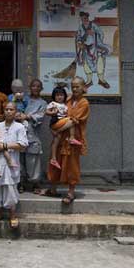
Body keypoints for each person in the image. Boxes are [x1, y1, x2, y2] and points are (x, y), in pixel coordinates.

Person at [43, 77, 90, 205]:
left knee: (71, 165)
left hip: (73, 139)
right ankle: (53, 189)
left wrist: (57, 130)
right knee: (55, 161)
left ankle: (70, 193)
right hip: (60, 138)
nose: (75, 89)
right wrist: (55, 129)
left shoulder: (84, 103)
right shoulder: (67, 100)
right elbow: (57, 116)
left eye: (77, 86)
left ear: (83, 88)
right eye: (73, 86)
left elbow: (73, 120)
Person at [0, 102, 27, 228]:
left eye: (11, 109)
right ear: (3, 111)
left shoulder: (19, 127)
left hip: (10, 161)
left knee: (10, 188)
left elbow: (23, 145)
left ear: (15, 112)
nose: (8, 111)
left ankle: (13, 215)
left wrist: (5, 146)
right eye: (6, 109)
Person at [19, 78, 47, 193]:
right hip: (20, 133)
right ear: (30, 88)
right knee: (20, 160)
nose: (35, 88)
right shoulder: (23, 99)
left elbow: (40, 116)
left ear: (41, 88)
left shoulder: (43, 103)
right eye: (33, 86)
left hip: (33, 134)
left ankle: (35, 183)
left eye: (38, 86)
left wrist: (28, 116)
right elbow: (17, 108)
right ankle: (20, 182)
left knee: (33, 161)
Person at [45, 86, 82, 170]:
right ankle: (71, 138)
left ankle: (53, 159)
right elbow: (46, 112)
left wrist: (78, 91)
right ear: (54, 96)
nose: (59, 97)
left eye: (61, 95)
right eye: (57, 95)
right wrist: (52, 112)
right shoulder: (53, 103)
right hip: (56, 122)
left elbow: (70, 96)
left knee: (56, 139)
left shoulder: (64, 104)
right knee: (72, 120)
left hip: (61, 123)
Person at [76, 11, 111, 89]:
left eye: (85, 18)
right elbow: (78, 36)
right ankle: (89, 81)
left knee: (100, 64)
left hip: (95, 47)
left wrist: (94, 34)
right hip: (85, 49)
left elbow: (101, 33)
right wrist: (79, 42)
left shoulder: (94, 25)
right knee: (86, 65)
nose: (84, 20)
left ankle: (101, 80)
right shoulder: (80, 27)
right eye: (82, 19)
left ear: (87, 18)